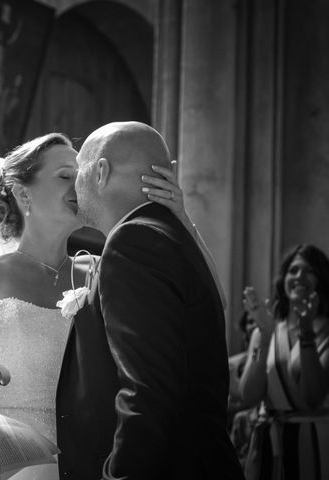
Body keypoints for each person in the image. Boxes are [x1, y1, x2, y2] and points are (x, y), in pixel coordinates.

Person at [0, 131, 195, 479]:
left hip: (91, 466)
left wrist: (182, 220)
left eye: (81, 174)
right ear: (24, 192)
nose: (78, 185)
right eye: (65, 176)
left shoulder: (103, 271)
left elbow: (199, 305)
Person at [62, 121, 244, 479]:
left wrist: (121, 474)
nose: (73, 185)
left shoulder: (133, 244)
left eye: (78, 170)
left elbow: (148, 391)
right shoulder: (168, 236)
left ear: (100, 171)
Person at [239, 244, 329, 480]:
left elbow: (312, 398)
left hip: (314, 443)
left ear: (321, 278)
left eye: (309, 270)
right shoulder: (267, 329)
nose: (299, 276)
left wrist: (306, 331)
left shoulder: (326, 331)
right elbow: (248, 396)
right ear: (283, 279)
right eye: (293, 270)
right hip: (269, 444)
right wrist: (266, 338)